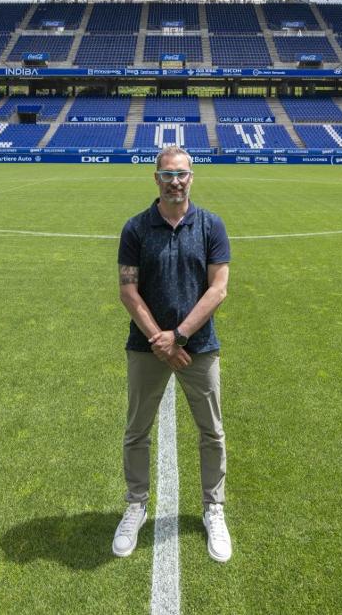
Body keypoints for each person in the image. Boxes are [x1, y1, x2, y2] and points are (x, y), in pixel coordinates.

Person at [112, 145, 233, 563]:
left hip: (198, 347)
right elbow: (128, 290)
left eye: (181, 174)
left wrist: (178, 336)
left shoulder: (211, 226)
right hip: (146, 347)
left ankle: (213, 507)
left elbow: (218, 289)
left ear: (191, 177)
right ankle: (135, 504)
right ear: (156, 179)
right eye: (167, 175)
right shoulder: (135, 228)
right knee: (137, 430)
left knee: (212, 431)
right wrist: (159, 339)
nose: (175, 182)